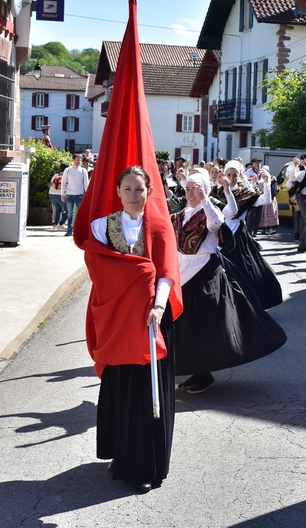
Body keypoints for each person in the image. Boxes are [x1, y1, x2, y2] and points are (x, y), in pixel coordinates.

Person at [85, 166, 180, 494]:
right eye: (127, 189)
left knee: (144, 393)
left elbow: (166, 271)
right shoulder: (101, 227)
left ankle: (145, 465)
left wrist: (158, 304)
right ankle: (120, 454)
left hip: (151, 318)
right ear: (118, 191)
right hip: (117, 319)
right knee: (121, 387)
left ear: (149, 191)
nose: (134, 195)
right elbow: (98, 267)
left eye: (139, 189)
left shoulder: (160, 226)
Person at [172, 170, 287, 394]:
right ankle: (198, 372)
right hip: (183, 272)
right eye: (188, 189)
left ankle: (203, 374)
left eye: (196, 189)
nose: (191, 193)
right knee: (184, 326)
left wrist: (205, 200)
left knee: (204, 328)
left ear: (204, 189)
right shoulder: (183, 212)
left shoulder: (210, 210)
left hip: (205, 273)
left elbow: (216, 223)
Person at [213, 161, 284, 310]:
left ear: (239, 176)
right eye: (228, 175)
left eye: (235, 175)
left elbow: (265, 200)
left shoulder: (244, 192)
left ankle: (250, 303)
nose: (231, 178)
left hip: (237, 235)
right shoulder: (215, 192)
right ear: (223, 175)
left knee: (244, 270)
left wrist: (266, 183)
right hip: (217, 235)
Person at [62, 154, 90, 237]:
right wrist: (62, 194)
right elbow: (64, 182)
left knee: (82, 213)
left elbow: (86, 184)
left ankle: (83, 230)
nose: (79, 161)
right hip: (69, 195)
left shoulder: (83, 170)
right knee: (69, 213)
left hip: (80, 195)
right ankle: (69, 231)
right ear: (73, 160)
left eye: (80, 160)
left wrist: (87, 195)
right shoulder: (67, 170)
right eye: (77, 160)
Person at [257, 165, 280, 234]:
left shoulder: (261, 178)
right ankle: (270, 229)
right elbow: (276, 188)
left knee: (264, 214)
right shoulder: (273, 178)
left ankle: (265, 229)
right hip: (272, 198)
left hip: (265, 197)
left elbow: (260, 187)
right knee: (272, 213)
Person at [48, 163, 69, 230]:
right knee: (68, 210)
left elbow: (50, 184)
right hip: (60, 195)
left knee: (58, 209)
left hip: (51, 194)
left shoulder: (56, 175)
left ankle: (55, 224)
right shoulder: (66, 176)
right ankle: (61, 224)